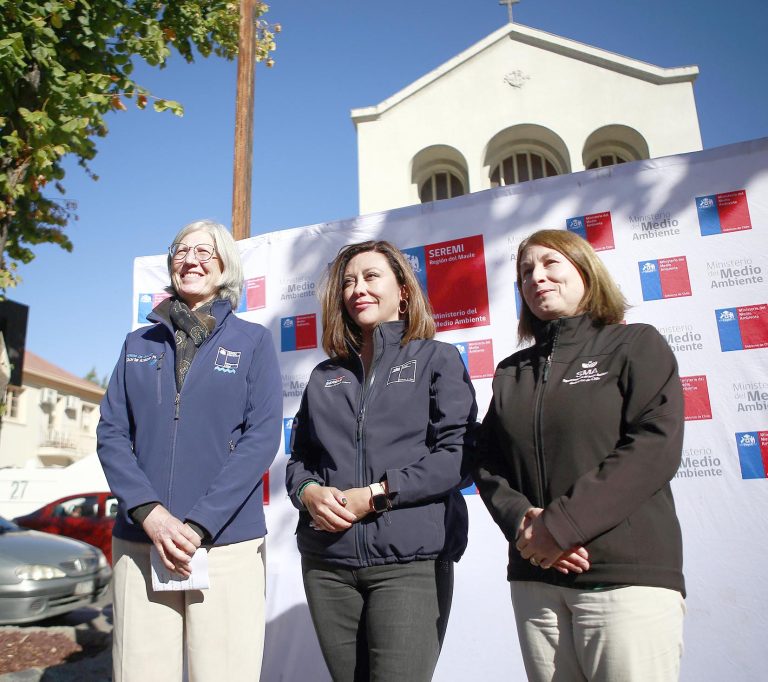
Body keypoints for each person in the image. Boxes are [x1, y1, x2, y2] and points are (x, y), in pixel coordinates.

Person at [474, 229, 686, 682]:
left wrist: (561, 525)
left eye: (551, 264)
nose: (537, 278)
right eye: (526, 272)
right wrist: (523, 521)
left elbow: (654, 445)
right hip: (536, 580)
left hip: (623, 576)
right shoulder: (511, 373)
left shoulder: (635, 345)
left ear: (585, 272)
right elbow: (487, 461)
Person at [97, 219, 282, 682]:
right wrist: (151, 514)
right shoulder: (136, 343)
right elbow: (112, 434)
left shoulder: (253, 342)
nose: (191, 259)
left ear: (225, 266)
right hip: (141, 542)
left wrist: (198, 525)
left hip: (225, 544)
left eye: (205, 250)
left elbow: (260, 438)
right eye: (181, 250)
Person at [286, 240, 477, 682]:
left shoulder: (437, 359)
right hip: (327, 565)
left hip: (410, 564)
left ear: (404, 292)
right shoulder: (324, 375)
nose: (358, 289)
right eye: (349, 281)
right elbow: (300, 460)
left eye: (372, 277)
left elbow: (458, 457)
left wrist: (376, 495)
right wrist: (308, 492)